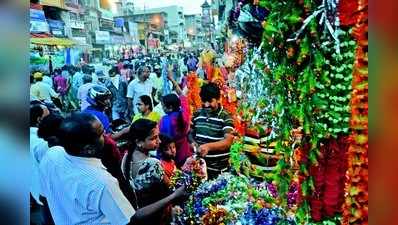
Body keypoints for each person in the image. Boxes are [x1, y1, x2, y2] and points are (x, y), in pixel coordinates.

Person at [40, 113, 187, 225]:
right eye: (101, 134)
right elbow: (131, 220)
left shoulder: (52, 155)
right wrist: (174, 196)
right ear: (89, 148)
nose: (107, 137)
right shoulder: (102, 182)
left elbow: (46, 196)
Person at [121, 119, 173, 224]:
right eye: (154, 138)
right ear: (139, 142)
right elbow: (170, 186)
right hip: (154, 213)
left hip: (139, 212)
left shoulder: (127, 156)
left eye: (158, 136)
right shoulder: (152, 163)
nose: (159, 141)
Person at [190, 83, 235, 179]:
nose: (206, 105)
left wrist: (208, 147)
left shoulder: (225, 117)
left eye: (210, 101)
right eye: (204, 101)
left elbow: (228, 142)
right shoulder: (197, 114)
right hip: (201, 170)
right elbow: (190, 134)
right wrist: (193, 143)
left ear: (218, 99)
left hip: (219, 172)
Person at [159, 73, 191, 167]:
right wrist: (172, 79)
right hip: (186, 153)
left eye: (163, 107)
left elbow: (162, 140)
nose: (163, 109)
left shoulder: (164, 120)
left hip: (172, 158)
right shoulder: (184, 113)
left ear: (169, 108)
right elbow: (182, 95)